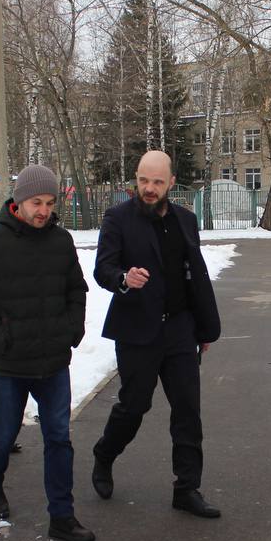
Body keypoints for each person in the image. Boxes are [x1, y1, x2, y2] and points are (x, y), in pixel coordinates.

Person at [0, 164, 94, 541]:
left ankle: (62, 516)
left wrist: (71, 331)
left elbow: (75, 290)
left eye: (49, 203)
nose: (43, 211)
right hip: (8, 364)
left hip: (53, 363)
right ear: (19, 201)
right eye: (36, 202)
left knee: (59, 439)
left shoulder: (61, 241)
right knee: (1, 434)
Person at [90, 150, 223, 518]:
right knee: (134, 406)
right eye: (143, 181)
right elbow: (103, 267)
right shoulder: (118, 218)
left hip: (179, 328)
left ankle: (187, 488)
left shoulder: (185, 219)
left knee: (187, 410)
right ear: (136, 178)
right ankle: (105, 454)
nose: (149, 189)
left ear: (170, 183)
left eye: (157, 182)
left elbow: (194, 273)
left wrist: (204, 326)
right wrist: (123, 279)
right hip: (137, 330)